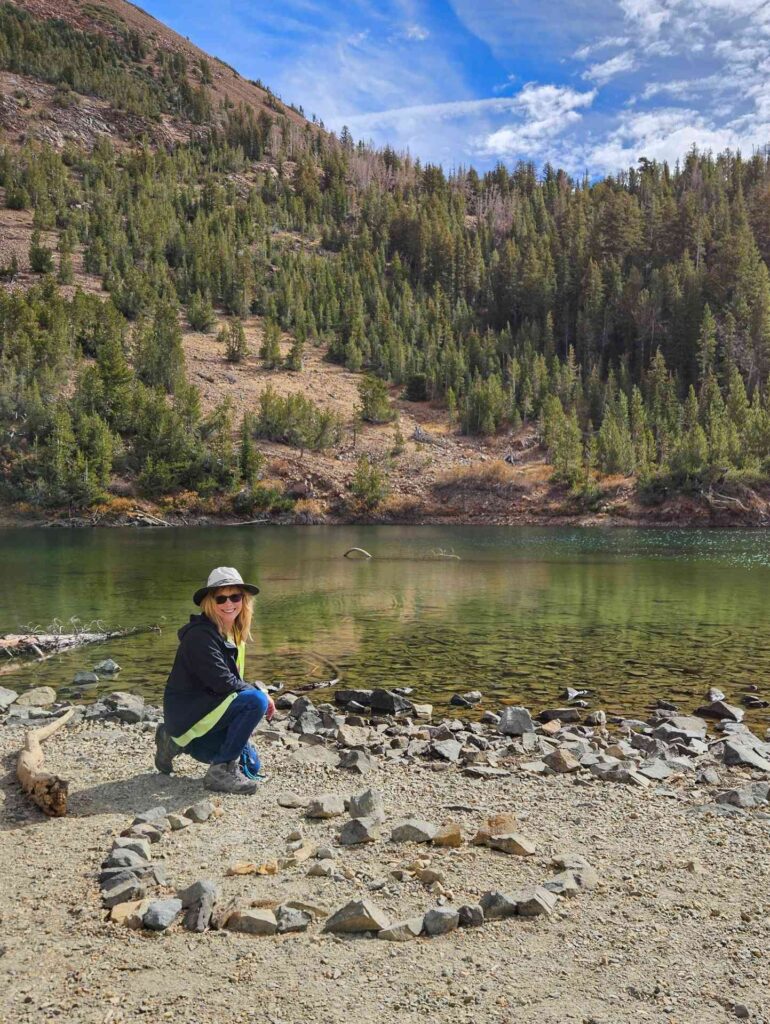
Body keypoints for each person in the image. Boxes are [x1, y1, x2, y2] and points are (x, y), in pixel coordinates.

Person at [154, 567, 275, 795]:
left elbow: (231, 684)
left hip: (206, 713)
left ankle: (171, 741)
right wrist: (261, 694)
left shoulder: (233, 636)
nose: (229, 603)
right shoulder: (200, 636)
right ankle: (219, 772)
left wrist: (254, 690)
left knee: (251, 765)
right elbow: (224, 683)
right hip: (189, 715)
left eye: (235, 597)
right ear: (210, 602)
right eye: (221, 598)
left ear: (243, 600)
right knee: (255, 701)